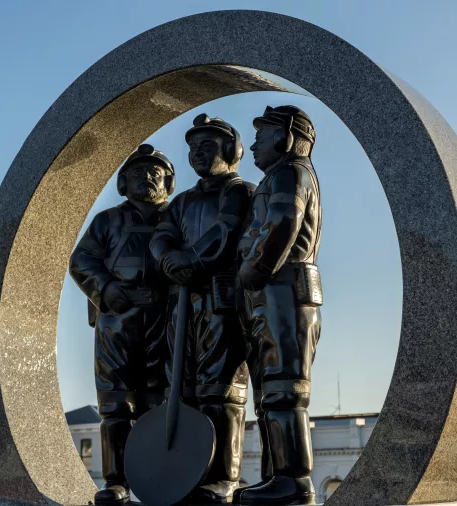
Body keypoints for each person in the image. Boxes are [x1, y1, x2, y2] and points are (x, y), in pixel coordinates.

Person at [149, 113, 253, 503]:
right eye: (193, 148)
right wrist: (167, 260)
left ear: (231, 150)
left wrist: (189, 258)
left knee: (221, 390)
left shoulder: (239, 191)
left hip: (220, 298)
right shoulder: (182, 202)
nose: (197, 154)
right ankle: (189, 475)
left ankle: (225, 476)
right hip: (182, 303)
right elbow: (162, 237)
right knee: (183, 390)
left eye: (207, 146)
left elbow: (225, 232)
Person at [68, 144, 175, 505]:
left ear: (169, 182)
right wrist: (107, 288)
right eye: (136, 172)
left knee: (161, 400)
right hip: (117, 323)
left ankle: (158, 479)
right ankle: (117, 481)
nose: (146, 177)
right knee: (116, 405)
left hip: (166, 322)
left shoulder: (178, 218)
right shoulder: (107, 221)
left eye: (155, 172)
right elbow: (82, 260)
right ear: (122, 182)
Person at [235, 106, 323, 506]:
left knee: (285, 390)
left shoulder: (290, 173)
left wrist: (254, 268)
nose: (253, 144)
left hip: (282, 289)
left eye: (262, 134)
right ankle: (276, 476)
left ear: (285, 137)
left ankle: (293, 481)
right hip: (271, 293)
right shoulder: (279, 175)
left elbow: (284, 222)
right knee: (271, 392)